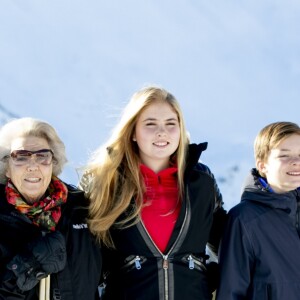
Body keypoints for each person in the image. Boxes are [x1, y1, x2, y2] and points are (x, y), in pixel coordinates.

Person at [79, 85, 227, 300]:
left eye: (170, 124)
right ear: (133, 133)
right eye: (150, 124)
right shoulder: (107, 182)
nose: (162, 132)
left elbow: (229, 245)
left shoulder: (201, 181)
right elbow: (84, 255)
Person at [0, 117, 102, 300]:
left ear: (53, 164)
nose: (33, 166)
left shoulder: (82, 210)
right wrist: (30, 264)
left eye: (42, 156)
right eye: (21, 157)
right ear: (7, 167)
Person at [216, 121, 300, 300]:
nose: (296, 162)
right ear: (262, 165)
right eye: (284, 156)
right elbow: (231, 292)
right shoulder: (244, 219)